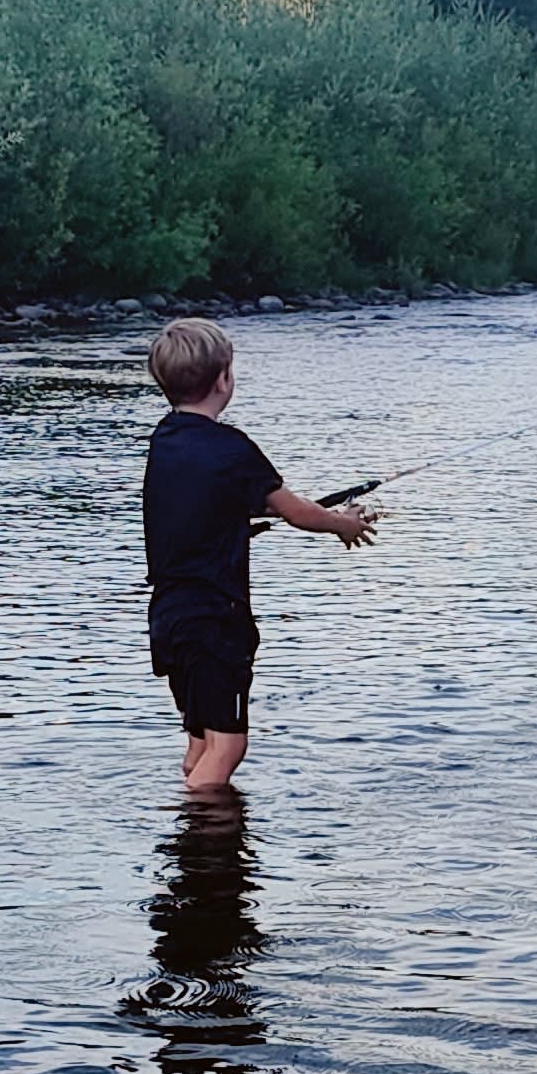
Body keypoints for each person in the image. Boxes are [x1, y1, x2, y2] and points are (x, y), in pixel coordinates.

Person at [139, 317, 377, 797]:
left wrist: (236, 519)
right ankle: (199, 845)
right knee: (227, 749)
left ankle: (195, 850)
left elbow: (198, 505)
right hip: (215, 620)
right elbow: (297, 512)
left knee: (201, 741)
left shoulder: (164, 440)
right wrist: (344, 524)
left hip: (169, 617)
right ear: (225, 378)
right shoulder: (233, 450)